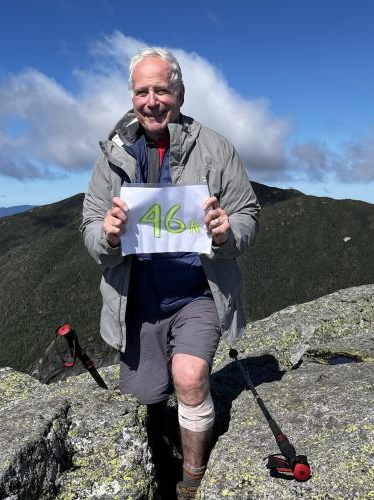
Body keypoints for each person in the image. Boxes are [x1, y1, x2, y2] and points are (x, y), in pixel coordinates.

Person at [80, 47, 260, 497]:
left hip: (198, 292)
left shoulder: (215, 149)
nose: (152, 100)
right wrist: (109, 234)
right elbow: (89, 230)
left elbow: (248, 215)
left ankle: (191, 482)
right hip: (136, 298)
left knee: (190, 378)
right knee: (145, 402)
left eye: (162, 89)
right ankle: (160, 467)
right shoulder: (113, 154)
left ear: (179, 93)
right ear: (132, 96)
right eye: (143, 91)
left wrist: (225, 232)